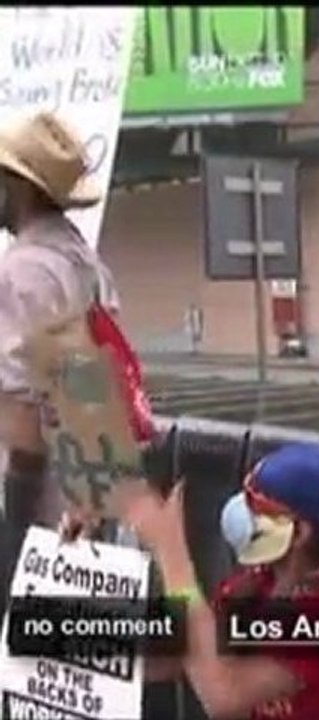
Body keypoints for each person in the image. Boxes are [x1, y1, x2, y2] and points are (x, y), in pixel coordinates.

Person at [117, 442, 319, 720]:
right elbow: (185, 652)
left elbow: (223, 695)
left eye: (257, 506)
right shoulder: (259, 582)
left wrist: (170, 551)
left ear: (299, 533)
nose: (242, 512)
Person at [0, 112, 121, 607]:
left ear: (19, 187)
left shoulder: (21, 274)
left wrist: (17, 533)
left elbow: (23, 416)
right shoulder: (87, 264)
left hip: (35, 507)